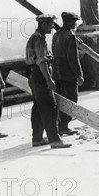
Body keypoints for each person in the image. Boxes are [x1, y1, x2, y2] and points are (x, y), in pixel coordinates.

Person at [25, 14, 71, 149]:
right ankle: (55, 140)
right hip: (40, 76)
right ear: (43, 24)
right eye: (50, 24)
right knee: (50, 107)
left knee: (38, 108)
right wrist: (49, 79)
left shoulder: (34, 38)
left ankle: (37, 139)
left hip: (34, 76)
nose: (52, 27)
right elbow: (42, 62)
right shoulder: (39, 40)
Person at [52, 12, 84, 135]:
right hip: (68, 75)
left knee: (60, 101)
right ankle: (63, 126)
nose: (76, 24)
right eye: (75, 22)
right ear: (70, 22)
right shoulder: (70, 36)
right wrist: (79, 75)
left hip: (57, 74)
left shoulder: (56, 35)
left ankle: (60, 125)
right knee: (71, 100)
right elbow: (73, 59)